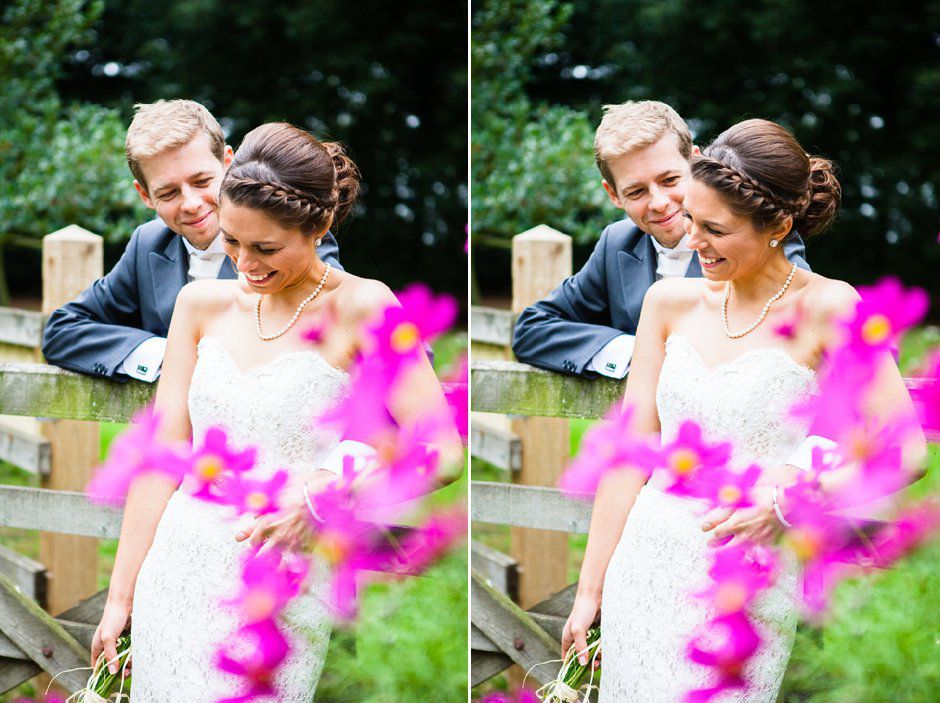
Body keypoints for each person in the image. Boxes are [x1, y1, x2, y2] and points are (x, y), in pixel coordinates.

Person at [89, 122, 461, 701]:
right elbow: (164, 456)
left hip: (281, 578)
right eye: (232, 241)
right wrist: (121, 598)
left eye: (265, 248)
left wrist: (322, 496)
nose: (245, 264)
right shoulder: (199, 305)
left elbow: (441, 450)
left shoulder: (364, 305)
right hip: (180, 566)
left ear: (319, 226)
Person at [561, 119, 926, 702]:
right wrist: (589, 592)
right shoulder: (667, 303)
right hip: (646, 563)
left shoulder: (832, 306)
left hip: (746, 579)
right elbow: (632, 454)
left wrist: (789, 502)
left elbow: (905, 452)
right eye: (691, 221)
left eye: (715, 229)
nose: (693, 241)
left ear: (779, 225)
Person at [40, 99, 341, 383]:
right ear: (145, 195)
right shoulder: (148, 243)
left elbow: (321, 340)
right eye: (168, 193)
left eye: (202, 181)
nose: (191, 204)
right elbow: (62, 331)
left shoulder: (289, 235)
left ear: (228, 163)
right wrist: (167, 356)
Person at [511, 101, 807, 379]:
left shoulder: (757, 237)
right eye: (636, 192)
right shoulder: (617, 242)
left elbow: (788, 338)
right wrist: (636, 353)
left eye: (669, 180)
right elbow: (532, 329)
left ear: (695, 161)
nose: (659, 202)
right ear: (613, 194)